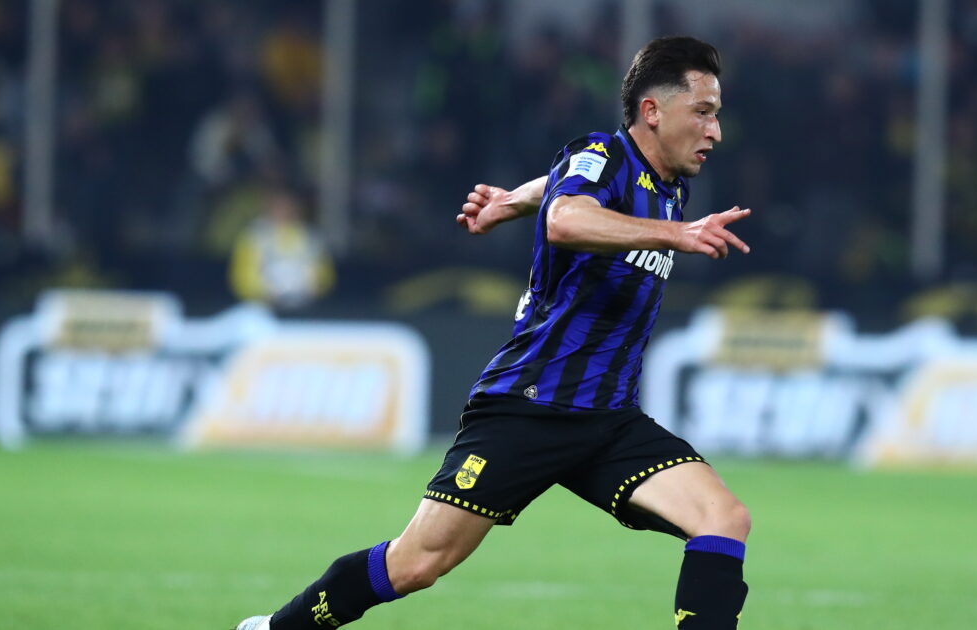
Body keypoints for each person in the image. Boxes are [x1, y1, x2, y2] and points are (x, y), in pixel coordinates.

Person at [236, 35, 753, 630]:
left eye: (717, 114)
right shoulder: (604, 155)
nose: (715, 131)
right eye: (703, 112)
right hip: (528, 407)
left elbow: (556, 187)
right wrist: (677, 235)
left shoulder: (670, 185)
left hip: (608, 419)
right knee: (417, 563)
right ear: (652, 111)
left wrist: (512, 201)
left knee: (723, 518)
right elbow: (566, 217)